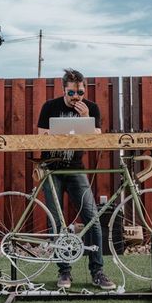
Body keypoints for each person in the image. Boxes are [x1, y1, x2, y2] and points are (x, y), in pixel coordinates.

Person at [37, 68, 116, 291]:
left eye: (80, 93)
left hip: (75, 168)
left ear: (84, 90)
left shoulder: (91, 108)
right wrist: (59, 134)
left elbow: (98, 137)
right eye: (71, 93)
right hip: (51, 169)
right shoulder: (50, 107)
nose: (76, 98)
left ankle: (97, 271)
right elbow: (41, 135)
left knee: (92, 218)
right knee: (56, 222)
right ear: (64, 90)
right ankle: (64, 271)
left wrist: (85, 119)